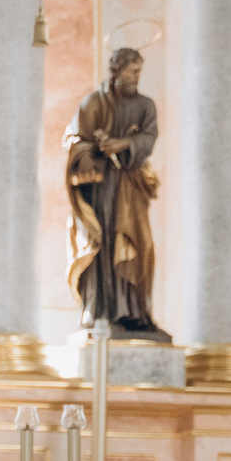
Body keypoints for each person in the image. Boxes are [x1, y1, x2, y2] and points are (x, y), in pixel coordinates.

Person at [64, 48, 164, 337]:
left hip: (131, 186)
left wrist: (122, 145)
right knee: (104, 244)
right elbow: (75, 139)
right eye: (132, 71)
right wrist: (95, 149)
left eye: (139, 71)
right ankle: (101, 309)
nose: (136, 77)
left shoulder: (146, 106)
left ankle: (135, 311)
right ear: (116, 70)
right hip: (102, 189)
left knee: (140, 244)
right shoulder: (95, 102)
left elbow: (148, 137)